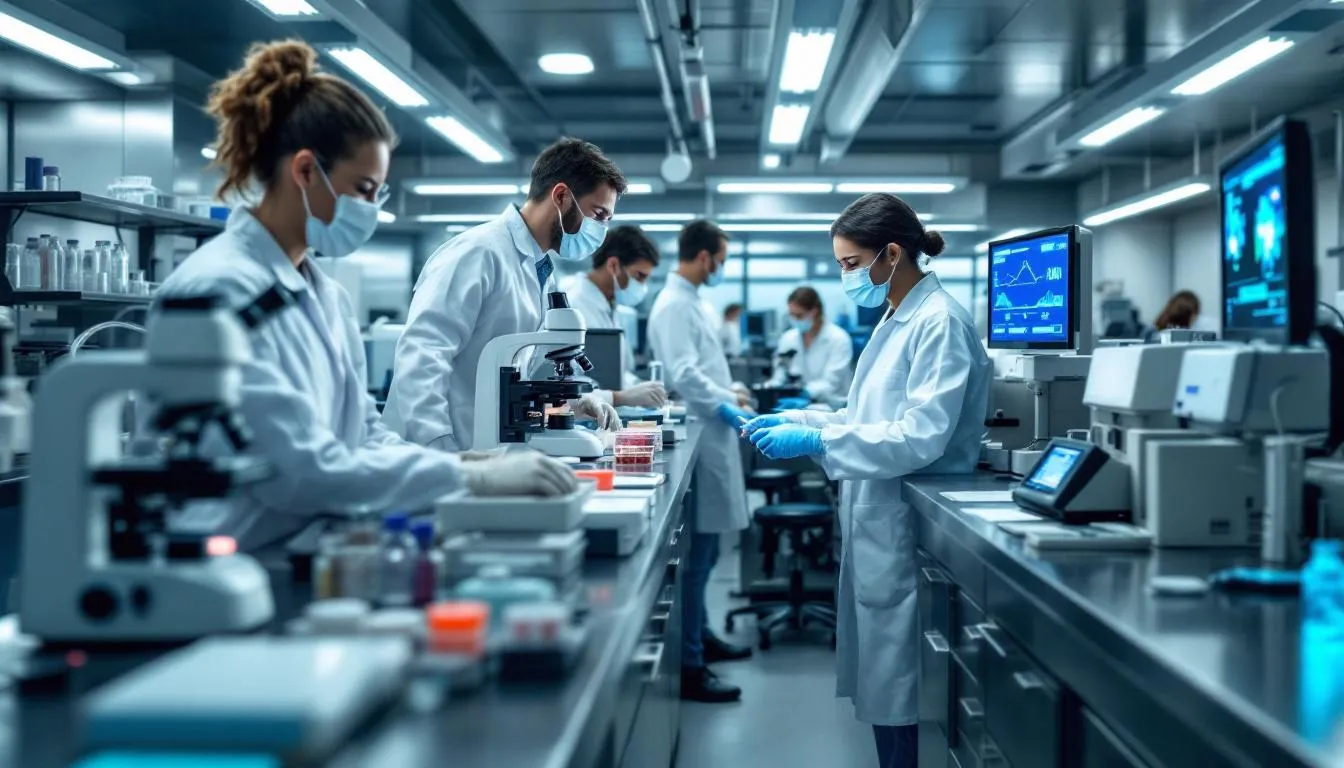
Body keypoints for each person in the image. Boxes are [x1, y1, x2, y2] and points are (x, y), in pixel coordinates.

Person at [154, 40, 575, 549]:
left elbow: (365, 438)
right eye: (365, 189)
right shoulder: (220, 290)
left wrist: (465, 462)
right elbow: (300, 469)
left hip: (291, 551)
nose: (372, 209)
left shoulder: (322, 295)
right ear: (306, 171)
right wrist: (470, 480)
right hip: (213, 564)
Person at [742, 193, 991, 767]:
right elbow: (870, 419)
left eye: (852, 264)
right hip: (882, 517)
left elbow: (919, 436)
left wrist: (819, 441)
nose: (846, 277)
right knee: (886, 682)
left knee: (900, 686)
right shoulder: (898, 315)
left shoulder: (940, 323)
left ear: (892, 254)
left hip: (908, 524)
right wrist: (805, 419)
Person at [382, 138, 626, 449]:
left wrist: (573, 404)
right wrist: (440, 447)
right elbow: (422, 357)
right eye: (598, 215)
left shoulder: (541, 271)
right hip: (435, 451)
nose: (601, 231)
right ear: (562, 196)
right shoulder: (477, 253)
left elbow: (513, 378)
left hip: (483, 452)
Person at [647, 219, 754, 702]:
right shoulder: (672, 306)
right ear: (705, 256)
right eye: (723, 260)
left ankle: (701, 636)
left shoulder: (692, 303)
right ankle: (690, 663)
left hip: (712, 432)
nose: (722, 269)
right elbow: (685, 374)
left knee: (708, 555)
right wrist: (726, 404)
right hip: (703, 432)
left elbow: (703, 370)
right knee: (699, 558)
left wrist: (728, 392)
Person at [557, 225, 667, 408]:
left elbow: (617, 373)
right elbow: (567, 387)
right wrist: (621, 397)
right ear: (613, 265)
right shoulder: (574, 306)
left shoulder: (610, 305)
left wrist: (639, 389)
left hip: (603, 416)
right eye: (639, 276)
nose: (643, 287)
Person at [766, 285, 854, 403]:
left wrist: (804, 393)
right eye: (791, 315)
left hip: (831, 406)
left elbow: (832, 383)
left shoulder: (838, 339)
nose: (794, 320)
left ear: (814, 311)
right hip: (799, 407)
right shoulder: (788, 338)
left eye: (799, 315)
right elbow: (780, 373)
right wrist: (771, 388)